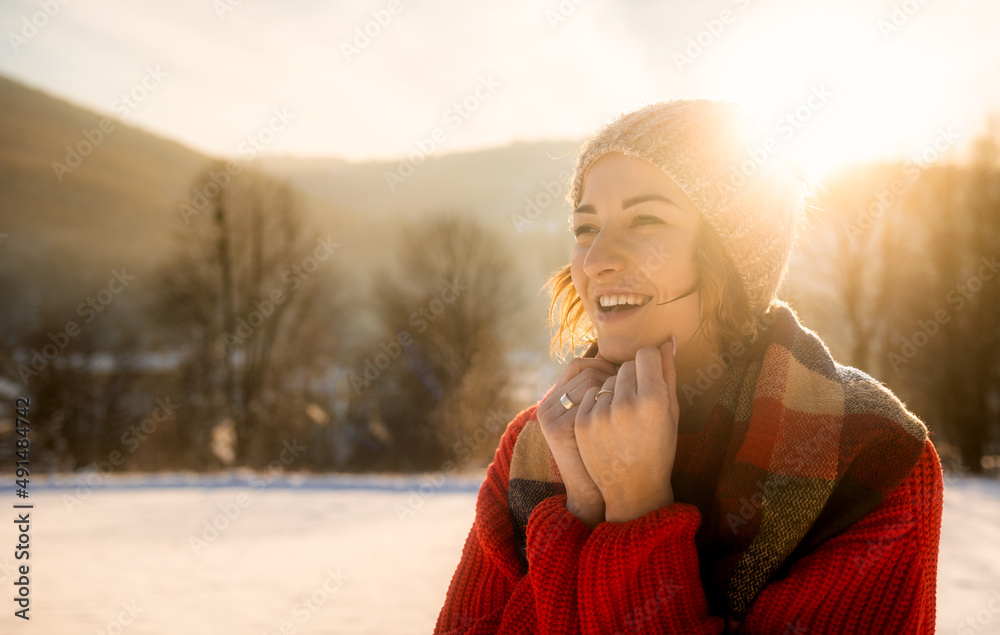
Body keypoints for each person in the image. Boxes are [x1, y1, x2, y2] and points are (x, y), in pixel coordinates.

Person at [434, 100, 942, 634]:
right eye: (586, 227)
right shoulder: (535, 447)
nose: (595, 260)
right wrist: (580, 509)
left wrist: (636, 510)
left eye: (646, 219)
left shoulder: (872, 454)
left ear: (734, 253)